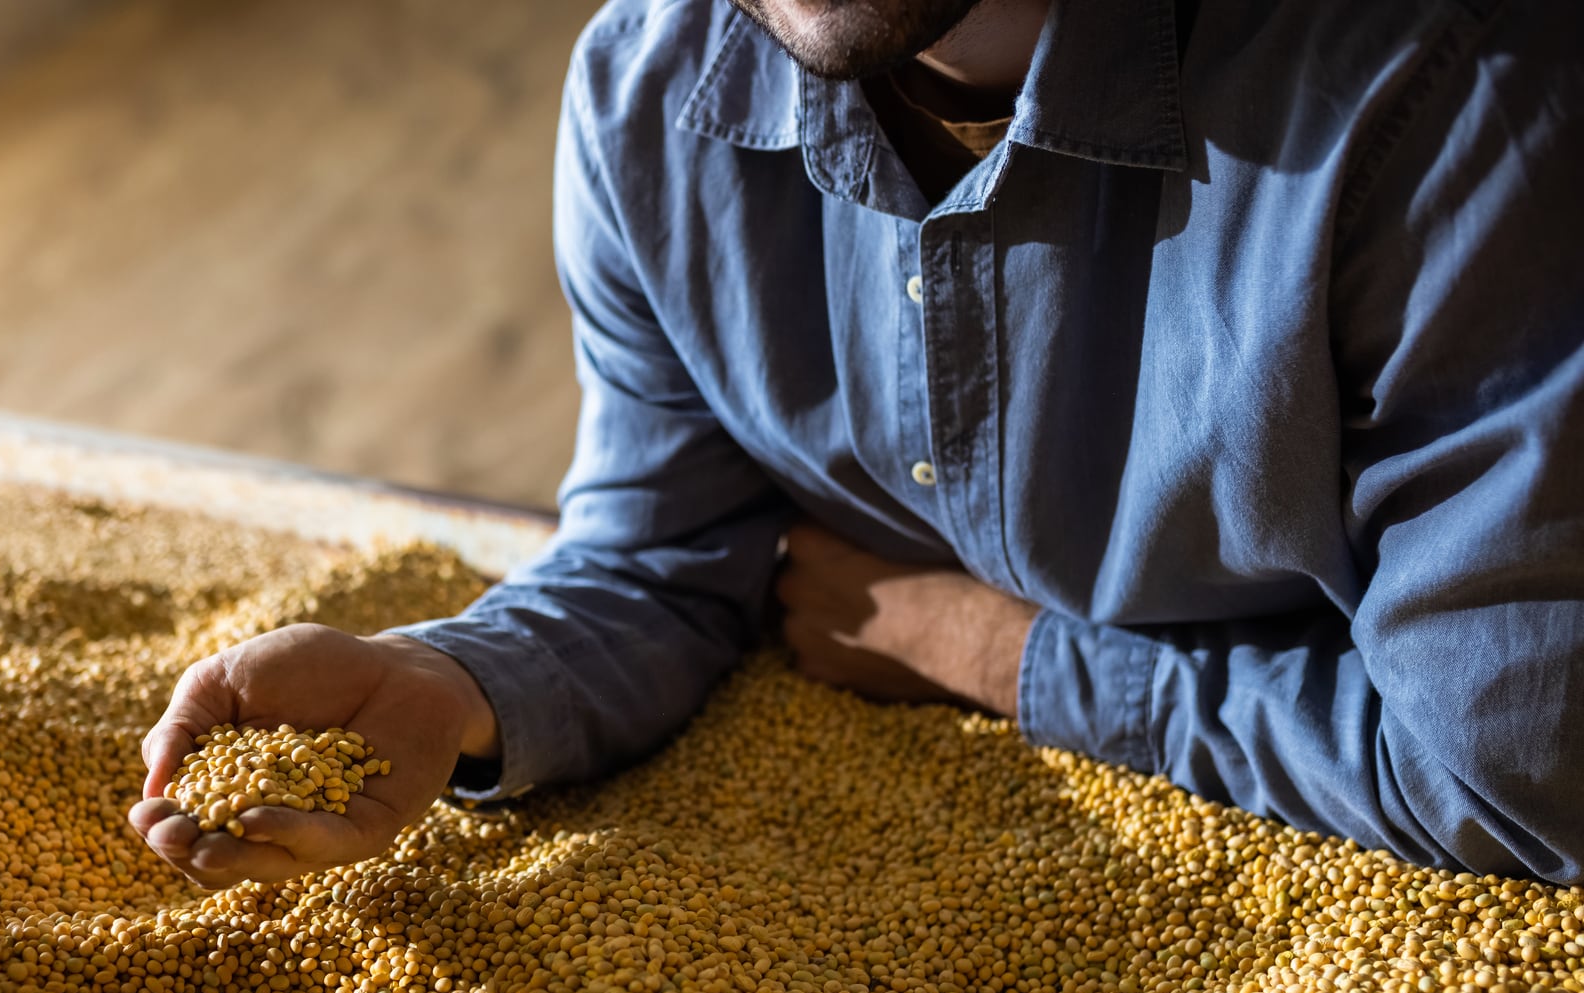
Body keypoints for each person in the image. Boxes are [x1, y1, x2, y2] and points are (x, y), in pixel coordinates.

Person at [129, 0, 1584, 887]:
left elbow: (1519, 770)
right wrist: (449, 683)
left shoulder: (1443, 97)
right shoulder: (651, 94)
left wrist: (998, 653)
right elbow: (671, 555)